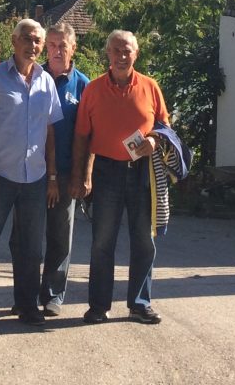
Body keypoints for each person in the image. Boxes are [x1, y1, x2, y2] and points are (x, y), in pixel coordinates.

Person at [0, 19, 62, 328]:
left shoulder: (46, 81)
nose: (32, 46)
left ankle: (27, 305)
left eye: (37, 41)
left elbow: (49, 131)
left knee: (31, 249)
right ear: (14, 40)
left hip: (34, 177)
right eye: (27, 39)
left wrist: (52, 176)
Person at [71, 30, 169, 326]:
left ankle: (140, 304)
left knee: (144, 242)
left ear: (135, 55)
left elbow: (165, 126)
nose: (122, 56)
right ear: (108, 55)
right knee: (103, 242)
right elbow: (81, 137)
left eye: (127, 51)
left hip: (142, 173)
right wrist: (80, 175)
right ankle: (98, 306)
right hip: (106, 172)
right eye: (116, 50)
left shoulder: (150, 87)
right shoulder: (94, 89)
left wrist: (153, 141)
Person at [13, 20, 89, 317]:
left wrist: (83, 175)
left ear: (73, 49)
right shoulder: (34, 74)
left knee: (60, 235)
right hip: (31, 171)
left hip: (67, 172)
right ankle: (24, 295)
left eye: (63, 46)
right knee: (24, 236)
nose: (56, 51)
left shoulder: (83, 85)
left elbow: (89, 134)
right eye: (52, 45)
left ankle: (53, 294)